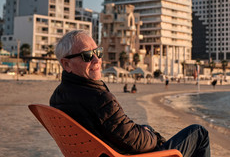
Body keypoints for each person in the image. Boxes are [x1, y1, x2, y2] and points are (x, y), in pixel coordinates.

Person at [50, 30, 210, 156]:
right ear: (66, 64)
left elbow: (119, 131)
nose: (97, 60)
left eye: (97, 52)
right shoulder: (98, 99)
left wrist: (148, 132)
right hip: (125, 154)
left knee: (146, 128)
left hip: (107, 151)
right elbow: (134, 142)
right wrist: (154, 137)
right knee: (198, 132)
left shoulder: (57, 97)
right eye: (87, 56)